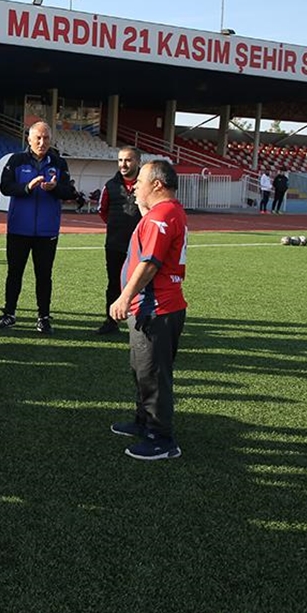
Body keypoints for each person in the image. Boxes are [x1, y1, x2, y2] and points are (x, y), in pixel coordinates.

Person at [109, 159, 188, 461]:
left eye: (141, 180)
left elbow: (150, 263)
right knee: (143, 369)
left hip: (156, 307)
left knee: (154, 375)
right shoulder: (166, 212)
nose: (135, 185)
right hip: (160, 306)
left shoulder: (161, 216)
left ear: (157, 184)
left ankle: (161, 438)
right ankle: (143, 422)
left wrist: (124, 297)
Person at [0, 121, 75, 334]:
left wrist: (56, 189)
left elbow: (68, 192)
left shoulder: (59, 162)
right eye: (38, 137)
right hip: (19, 228)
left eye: (46, 138)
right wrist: (27, 187)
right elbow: (5, 187)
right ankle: (9, 314)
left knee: (44, 275)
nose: (42, 142)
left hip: (47, 231)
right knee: (14, 273)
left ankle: (44, 317)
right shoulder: (16, 160)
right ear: (28, 139)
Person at [95, 146, 143, 335]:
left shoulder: (147, 184)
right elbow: (102, 211)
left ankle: (140, 321)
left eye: (128, 160)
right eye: (120, 160)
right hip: (115, 244)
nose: (123, 164)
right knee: (113, 283)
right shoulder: (110, 185)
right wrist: (117, 226)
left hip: (141, 246)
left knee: (141, 283)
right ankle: (111, 321)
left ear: (138, 162)